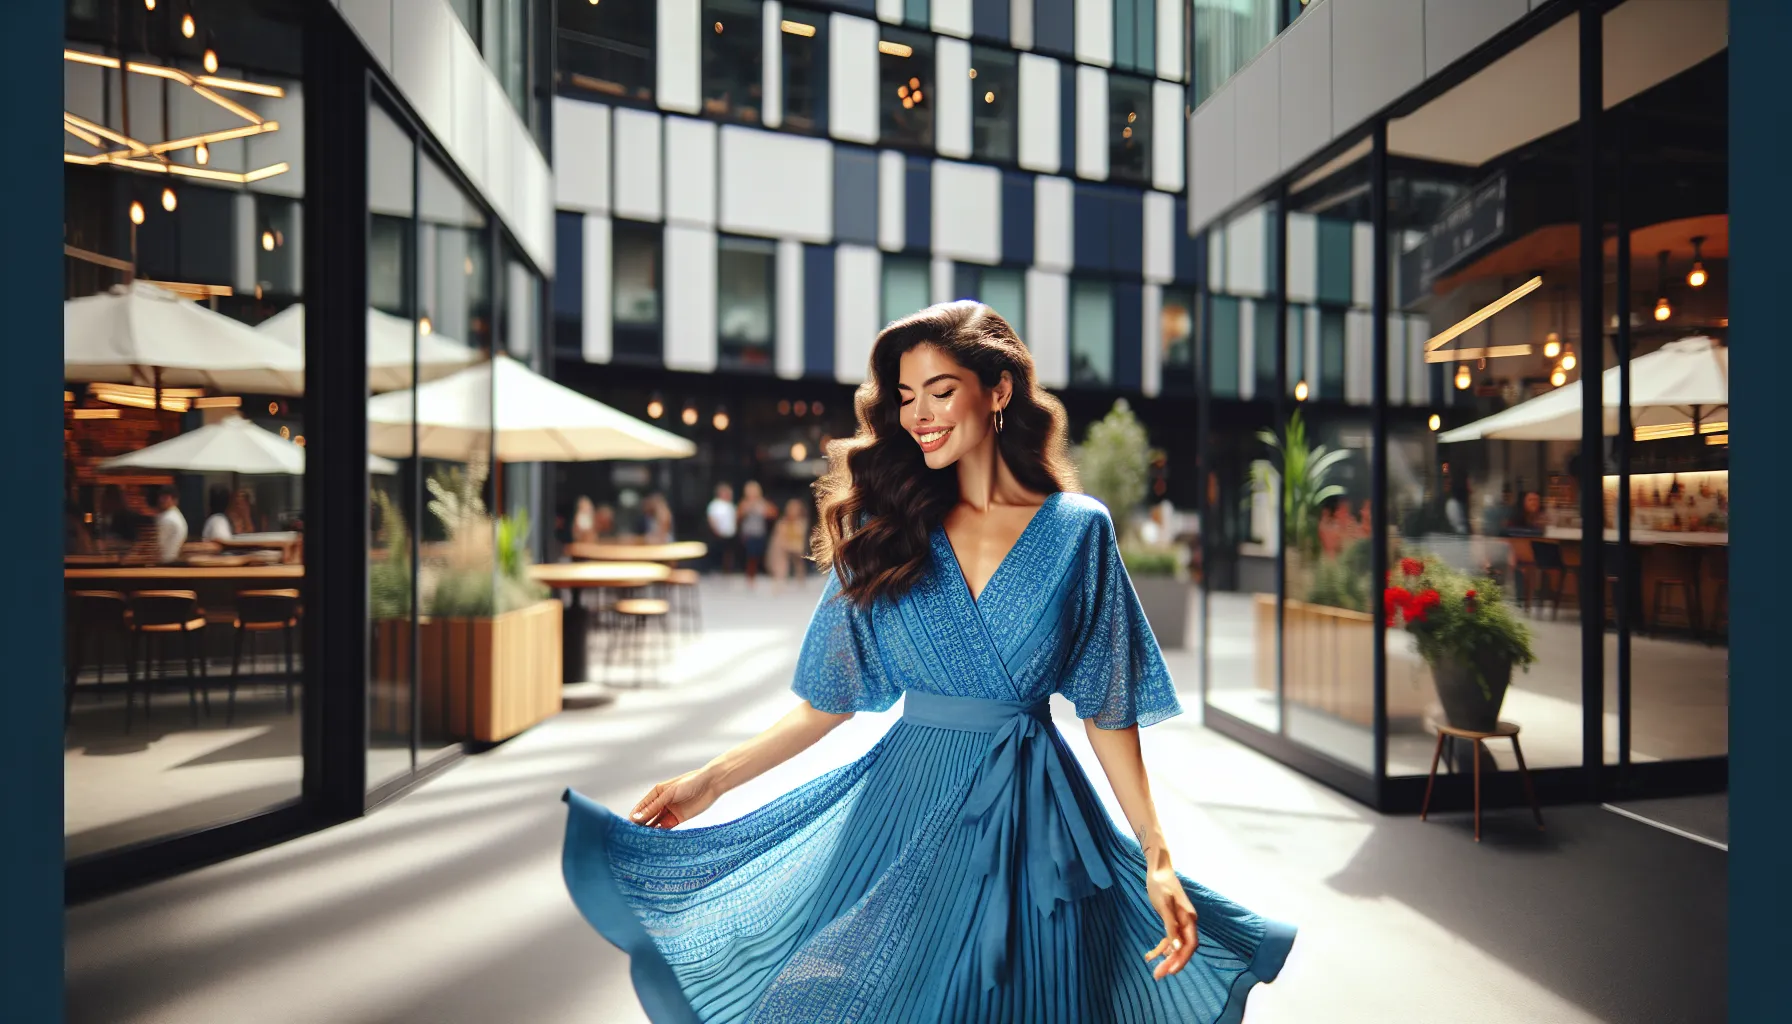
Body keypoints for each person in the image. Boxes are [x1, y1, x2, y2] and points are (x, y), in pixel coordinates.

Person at [562, 301, 1295, 1022]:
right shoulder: (884, 530)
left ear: (998, 391)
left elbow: (1108, 709)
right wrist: (711, 782)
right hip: (904, 810)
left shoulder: (1080, 531)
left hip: (1037, 823)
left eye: (940, 391)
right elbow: (826, 704)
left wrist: (1156, 852)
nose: (920, 414)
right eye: (906, 396)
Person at [765, 496, 811, 590]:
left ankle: (801, 580)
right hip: (785, 545)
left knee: (798, 562)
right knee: (782, 561)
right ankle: (779, 579)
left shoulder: (801, 522)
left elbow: (800, 535)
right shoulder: (783, 522)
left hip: (796, 546)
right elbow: (779, 535)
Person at [736, 480, 775, 586]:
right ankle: (750, 576)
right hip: (748, 534)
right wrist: (746, 510)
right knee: (751, 555)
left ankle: (759, 573)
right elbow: (738, 516)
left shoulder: (762, 503)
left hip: (760, 533)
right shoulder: (744, 503)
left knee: (759, 554)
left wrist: (765, 511)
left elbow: (773, 513)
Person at [704, 483, 737, 574]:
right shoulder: (715, 505)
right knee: (716, 552)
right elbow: (711, 518)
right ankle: (714, 569)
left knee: (728, 553)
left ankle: (727, 570)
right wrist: (715, 530)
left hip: (729, 534)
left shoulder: (730, 505)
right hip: (718, 534)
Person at [152, 486, 188, 564]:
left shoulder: (168, 518)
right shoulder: (175, 515)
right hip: (169, 561)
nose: (161, 500)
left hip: (164, 563)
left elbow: (156, 544)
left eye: (165, 498)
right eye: (161, 497)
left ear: (175, 500)